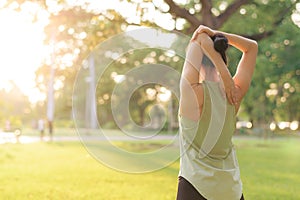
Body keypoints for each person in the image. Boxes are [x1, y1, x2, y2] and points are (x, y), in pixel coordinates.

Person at [176, 25, 258, 200]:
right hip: (231, 190)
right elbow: (252, 47)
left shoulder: (191, 92)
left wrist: (221, 68)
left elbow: (198, 39)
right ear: (225, 60)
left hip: (195, 187)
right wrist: (217, 35)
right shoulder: (234, 93)